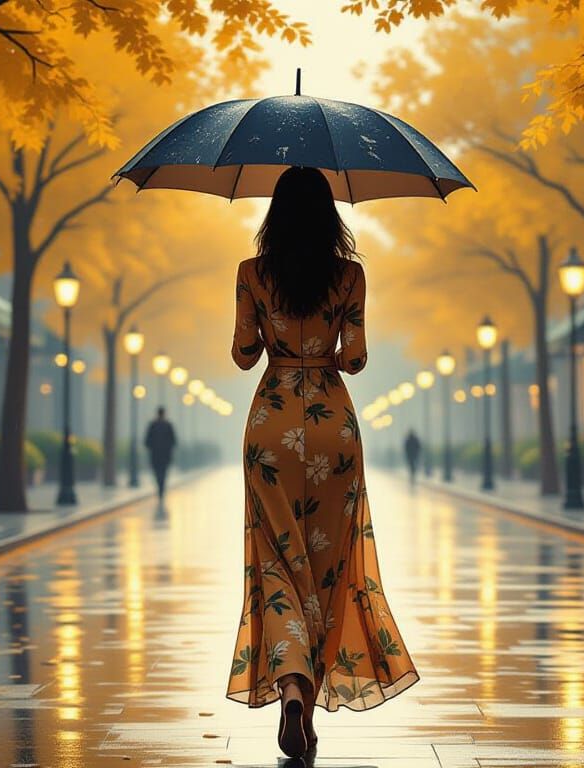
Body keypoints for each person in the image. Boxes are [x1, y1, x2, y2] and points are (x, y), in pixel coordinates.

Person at [227, 167, 418, 759]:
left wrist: (273, 337)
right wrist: (325, 345)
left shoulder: (252, 274)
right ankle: (306, 709)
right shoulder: (350, 276)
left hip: (272, 428)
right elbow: (355, 358)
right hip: (332, 428)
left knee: (278, 565)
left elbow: (242, 354)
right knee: (329, 568)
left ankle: (289, 686)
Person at [144, 407, 177, 499]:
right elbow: (174, 441)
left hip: (155, 455)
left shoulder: (152, 425)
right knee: (163, 473)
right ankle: (161, 489)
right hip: (165, 455)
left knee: (157, 473)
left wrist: (151, 448)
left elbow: (147, 441)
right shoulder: (168, 425)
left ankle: (160, 488)